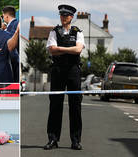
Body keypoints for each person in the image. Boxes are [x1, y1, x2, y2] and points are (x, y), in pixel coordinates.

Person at [44, 4, 85, 150]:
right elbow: (52, 50)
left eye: (66, 15)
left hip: (73, 71)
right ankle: (53, 139)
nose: (63, 17)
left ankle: (75, 140)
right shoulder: (53, 32)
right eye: (61, 15)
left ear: (71, 17)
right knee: (55, 105)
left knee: (75, 106)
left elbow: (79, 49)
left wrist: (60, 49)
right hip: (58, 71)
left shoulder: (78, 32)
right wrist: (70, 50)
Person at [2, 6, 19, 82]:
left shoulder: (15, 25)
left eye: (3, 16)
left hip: (13, 61)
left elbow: (11, 43)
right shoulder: (13, 25)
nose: (3, 18)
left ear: (6, 16)